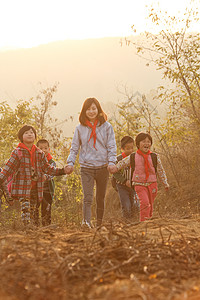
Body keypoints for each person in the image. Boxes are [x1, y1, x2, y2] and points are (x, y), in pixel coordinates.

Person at [0, 125, 67, 227]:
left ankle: (32, 231)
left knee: (33, 209)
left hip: (36, 187)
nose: (29, 134)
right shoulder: (17, 152)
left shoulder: (39, 153)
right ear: (21, 137)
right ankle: (27, 228)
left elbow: (47, 169)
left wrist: (63, 171)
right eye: (26, 133)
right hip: (23, 188)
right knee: (26, 209)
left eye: (31, 132)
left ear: (35, 136)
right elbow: (8, 169)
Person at [65, 97, 117, 228]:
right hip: (86, 168)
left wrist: (112, 162)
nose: (91, 111)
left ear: (98, 110)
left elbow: (111, 146)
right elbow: (75, 147)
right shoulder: (80, 128)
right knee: (87, 197)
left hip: (103, 167)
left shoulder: (106, 127)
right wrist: (70, 163)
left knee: (100, 198)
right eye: (88, 109)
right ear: (84, 111)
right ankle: (86, 222)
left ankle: (99, 223)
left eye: (94, 108)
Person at [110, 132, 169, 222]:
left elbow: (160, 171)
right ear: (138, 144)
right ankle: (143, 222)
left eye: (148, 141)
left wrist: (165, 183)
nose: (146, 143)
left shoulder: (154, 157)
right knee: (144, 203)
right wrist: (114, 168)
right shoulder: (133, 156)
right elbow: (122, 163)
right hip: (139, 184)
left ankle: (149, 220)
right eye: (143, 141)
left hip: (152, 184)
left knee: (150, 204)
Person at [112, 136, 139, 221]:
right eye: (127, 149)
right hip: (122, 186)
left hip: (133, 185)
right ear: (122, 149)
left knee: (135, 204)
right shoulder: (118, 159)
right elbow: (115, 173)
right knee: (126, 204)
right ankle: (126, 221)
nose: (130, 151)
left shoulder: (136, 157)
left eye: (132, 148)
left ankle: (135, 220)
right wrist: (124, 180)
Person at [37, 139, 56, 226]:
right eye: (41, 148)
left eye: (45, 148)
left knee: (46, 209)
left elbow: (52, 173)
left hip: (47, 190)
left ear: (49, 149)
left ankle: (47, 226)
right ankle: (35, 226)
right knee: (35, 208)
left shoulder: (51, 162)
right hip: (36, 190)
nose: (43, 150)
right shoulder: (35, 161)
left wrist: (45, 176)